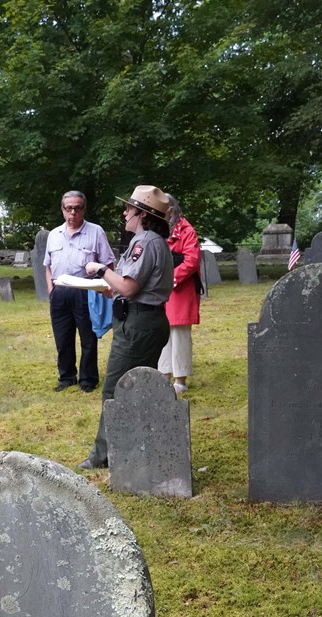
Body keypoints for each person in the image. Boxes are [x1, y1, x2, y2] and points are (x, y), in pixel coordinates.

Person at [78, 185, 173, 470]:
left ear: (143, 214)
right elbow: (127, 286)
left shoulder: (145, 241)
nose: (125, 213)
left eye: (129, 209)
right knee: (140, 387)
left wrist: (100, 270)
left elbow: (130, 286)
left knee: (116, 389)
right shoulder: (153, 241)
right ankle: (142, 444)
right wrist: (111, 288)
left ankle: (103, 455)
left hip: (138, 323)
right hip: (144, 319)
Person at [44, 191, 115, 393]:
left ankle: (88, 379)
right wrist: (50, 289)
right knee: (62, 338)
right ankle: (66, 377)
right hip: (60, 291)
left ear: (84, 209)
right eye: (68, 208)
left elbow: (108, 262)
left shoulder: (95, 232)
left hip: (86, 290)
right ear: (62, 209)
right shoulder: (54, 235)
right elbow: (47, 265)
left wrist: (105, 287)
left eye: (77, 208)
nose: (72, 212)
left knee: (88, 338)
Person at [158, 193, 201, 393]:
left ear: (172, 210)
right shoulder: (156, 228)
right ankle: (162, 375)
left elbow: (191, 260)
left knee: (180, 333)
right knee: (162, 332)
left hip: (180, 288)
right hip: (159, 288)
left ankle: (180, 379)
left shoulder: (187, 230)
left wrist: (171, 279)